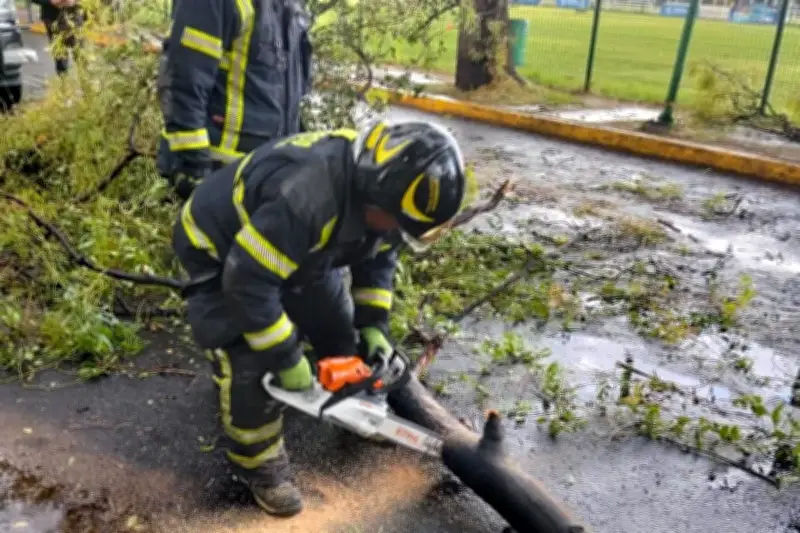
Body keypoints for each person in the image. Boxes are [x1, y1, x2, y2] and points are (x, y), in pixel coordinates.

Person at [172, 119, 475, 517]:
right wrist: (285, 357)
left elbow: (378, 259)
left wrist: (373, 323)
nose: (395, 232)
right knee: (252, 360)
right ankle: (258, 465)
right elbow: (247, 282)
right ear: (373, 195)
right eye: (394, 223)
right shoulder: (306, 197)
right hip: (220, 248)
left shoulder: (389, 206)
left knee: (339, 332)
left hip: (300, 251)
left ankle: (355, 410)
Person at [156, 0, 313, 201]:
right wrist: (194, 169)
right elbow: (183, 84)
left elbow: (286, 104)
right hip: (219, 178)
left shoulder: (289, 8)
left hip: (267, 181)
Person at [30, 0, 83, 76]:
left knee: (80, 53)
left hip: (75, 18)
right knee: (60, 57)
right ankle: (63, 80)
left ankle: (85, 80)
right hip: (53, 19)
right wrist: (51, 1)